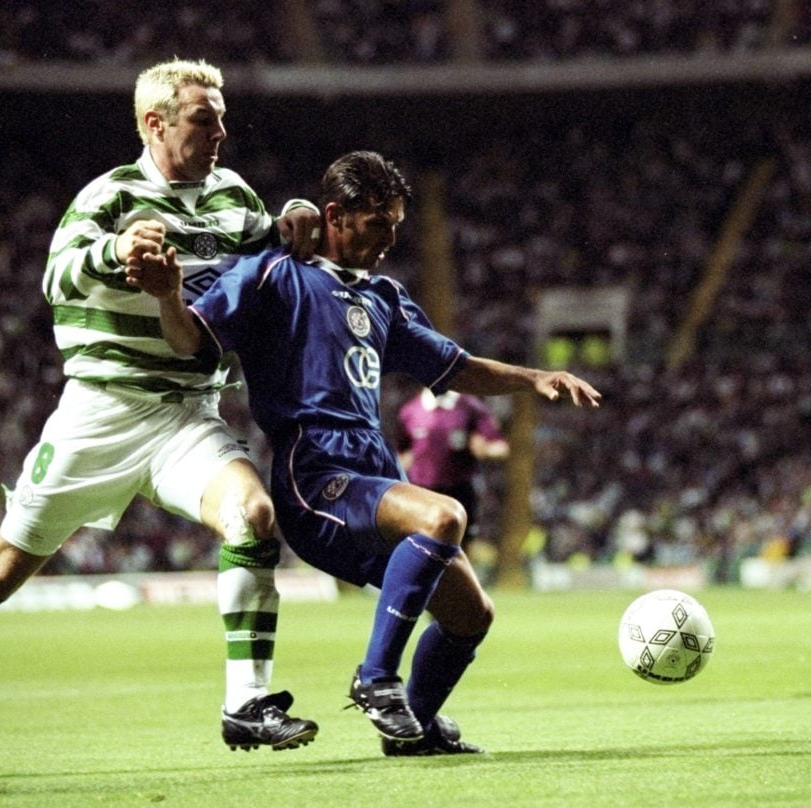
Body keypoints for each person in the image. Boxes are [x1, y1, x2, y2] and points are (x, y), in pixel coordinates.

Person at [0, 58, 322, 766]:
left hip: (185, 414)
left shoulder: (235, 198)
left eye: (220, 117)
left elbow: (259, 275)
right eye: (205, 118)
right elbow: (55, 276)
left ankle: (245, 704)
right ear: (155, 123)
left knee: (252, 515)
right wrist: (114, 249)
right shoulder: (110, 195)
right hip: (100, 415)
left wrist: (292, 232)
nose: (222, 130)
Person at [128, 150, 602, 756]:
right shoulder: (273, 274)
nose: (389, 237)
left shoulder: (383, 295)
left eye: (397, 224)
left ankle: (415, 731)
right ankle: (376, 679)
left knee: (470, 615)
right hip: (316, 473)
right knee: (444, 517)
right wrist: (169, 297)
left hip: (375, 472)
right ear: (336, 215)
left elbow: (455, 367)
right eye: (378, 222)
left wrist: (530, 377)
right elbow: (192, 341)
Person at [395, 388, 509, 550]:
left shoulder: (470, 407)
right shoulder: (410, 411)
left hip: (459, 494)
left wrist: (486, 449)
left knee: (460, 550)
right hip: (422, 494)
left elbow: (501, 447)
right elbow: (402, 454)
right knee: (420, 549)